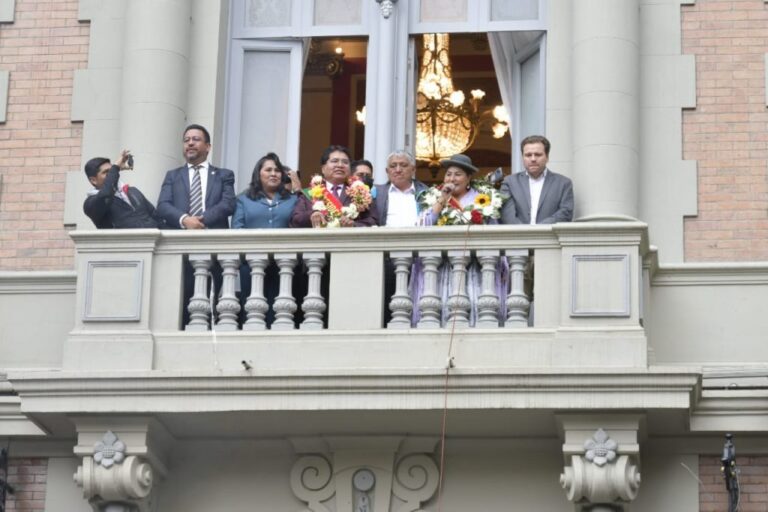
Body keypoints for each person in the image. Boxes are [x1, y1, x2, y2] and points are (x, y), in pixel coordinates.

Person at [157, 124, 236, 229]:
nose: (190, 143)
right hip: (178, 236)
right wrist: (185, 220)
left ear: (208, 147)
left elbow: (228, 204)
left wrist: (200, 221)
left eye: (196, 139)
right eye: (186, 140)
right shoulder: (172, 175)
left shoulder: (224, 175)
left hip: (213, 235)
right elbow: (163, 206)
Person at [290, 145, 379, 228]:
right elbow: (294, 221)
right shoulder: (308, 193)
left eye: (345, 162)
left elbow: (374, 221)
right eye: (334, 161)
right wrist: (311, 215)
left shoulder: (362, 192)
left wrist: (353, 225)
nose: (340, 165)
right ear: (323, 168)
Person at [500, 135, 574, 225]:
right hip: (517, 234)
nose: (533, 159)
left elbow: (566, 213)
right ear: (523, 158)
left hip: (548, 233)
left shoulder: (563, 183)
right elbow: (507, 215)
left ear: (547, 157)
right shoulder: (509, 182)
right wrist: (524, 231)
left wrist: (538, 229)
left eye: (538, 155)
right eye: (528, 155)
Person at [83, 150, 164, 229]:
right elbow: (106, 194)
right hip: (124, 239)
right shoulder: (90, 203)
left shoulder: (132, 191)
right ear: (93, 180)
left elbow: (155, 216)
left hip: (151, 237)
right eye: (106, 172)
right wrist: (115, 167)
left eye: (111, 170)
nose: (111, 174)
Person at [421, 153, 498, 225]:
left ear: (468, 178)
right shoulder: (434, 196)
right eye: (448, 174)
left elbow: (494, 229)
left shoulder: (481, 199)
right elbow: (423, 225)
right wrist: (442, 198)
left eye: (457, 174)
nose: (452, 179)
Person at [232, 152, 298, 229]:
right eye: (268, 170)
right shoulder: (243, 200)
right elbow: (236, 229)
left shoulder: (292, 199)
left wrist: (298, 190)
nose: (273, 174)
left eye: (277, 170)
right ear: (258, 174)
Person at [374, 150, 427, 227]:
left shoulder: (426, 192)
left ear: (413, 169)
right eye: (393, 166)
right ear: (387, 171)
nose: (398, 170)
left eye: (403, 165)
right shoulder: (377, 193)